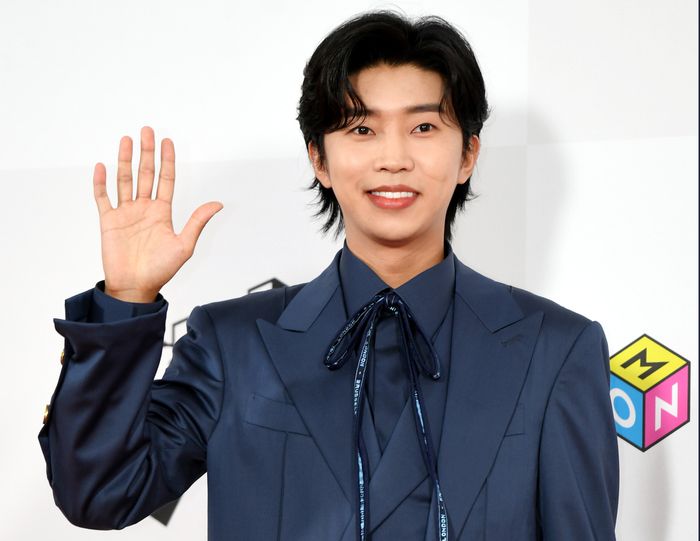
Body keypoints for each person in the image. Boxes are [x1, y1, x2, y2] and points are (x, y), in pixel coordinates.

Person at [38, 10, 619, 541]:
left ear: (467, 155)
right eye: (362, 130)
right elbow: (101, 492)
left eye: (422, 128)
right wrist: (127, 298)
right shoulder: (233, 344)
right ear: (319, 158)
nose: (393, 158)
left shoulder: (555, 351)